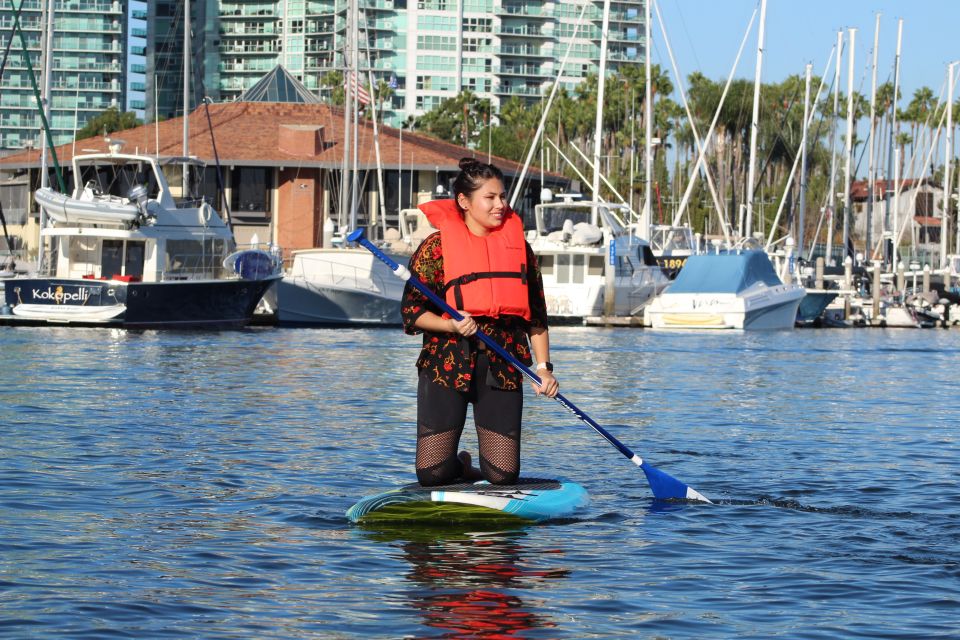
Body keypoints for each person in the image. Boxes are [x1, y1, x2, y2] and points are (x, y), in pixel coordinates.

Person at [400, 158, 559, 487]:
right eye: (491, 198)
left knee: (502, 476)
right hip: (446, 362)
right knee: (432, 474)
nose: (501, 205)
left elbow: (537, 317)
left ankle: (483, 474)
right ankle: (461, 467)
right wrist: (452, 326)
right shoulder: (436, 248)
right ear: (464, 201)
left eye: (503, 197)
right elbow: (411, 312)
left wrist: (544, 368)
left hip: (503, 363)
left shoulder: (520, 250)